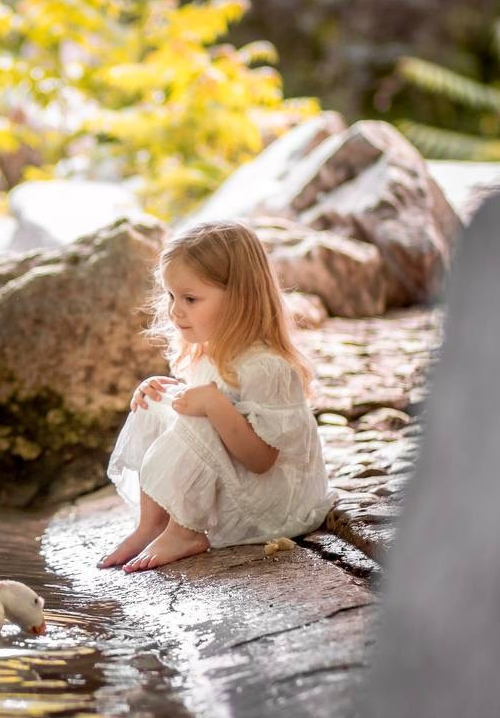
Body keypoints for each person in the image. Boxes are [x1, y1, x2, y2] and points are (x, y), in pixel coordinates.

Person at [98, 220, 335, 572]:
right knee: (158, 401)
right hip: (240, 483)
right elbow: (205, 416)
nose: (175, 310)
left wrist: (211, 405)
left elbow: (261, 460)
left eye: (190, 298)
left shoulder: (267, 366)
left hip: (277, 506)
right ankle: (152, 524)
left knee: (199, 412)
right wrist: (167, 394)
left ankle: (186, 530)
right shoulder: (211, 354)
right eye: (171, 296)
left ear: (240, 299)